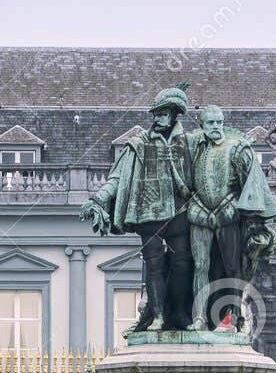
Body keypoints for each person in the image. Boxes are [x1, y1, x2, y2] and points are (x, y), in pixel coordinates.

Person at [81, 84, 194, 331]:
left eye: (164, 112)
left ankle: (179, 313)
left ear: (175, 113)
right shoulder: (139, 143)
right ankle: (157, 316)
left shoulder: (190, 142)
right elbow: (117, 177)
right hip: (147, 212)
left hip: (179, 211)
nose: (158, 117)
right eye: (156, 112)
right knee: (153, 266)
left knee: (183, 264)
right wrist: (99, 198)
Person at [184, 104, 276, 329]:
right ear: (202, 124)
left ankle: (234, 316)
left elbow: (252, 185)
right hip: (199, 213)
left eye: (219, 122)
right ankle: (199, 317)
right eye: (210, 123)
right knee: (200, 266)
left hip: (229, 213)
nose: (216, 127)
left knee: (232, 267)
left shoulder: (237, 148)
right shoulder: (192, 147)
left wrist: (256, 222)